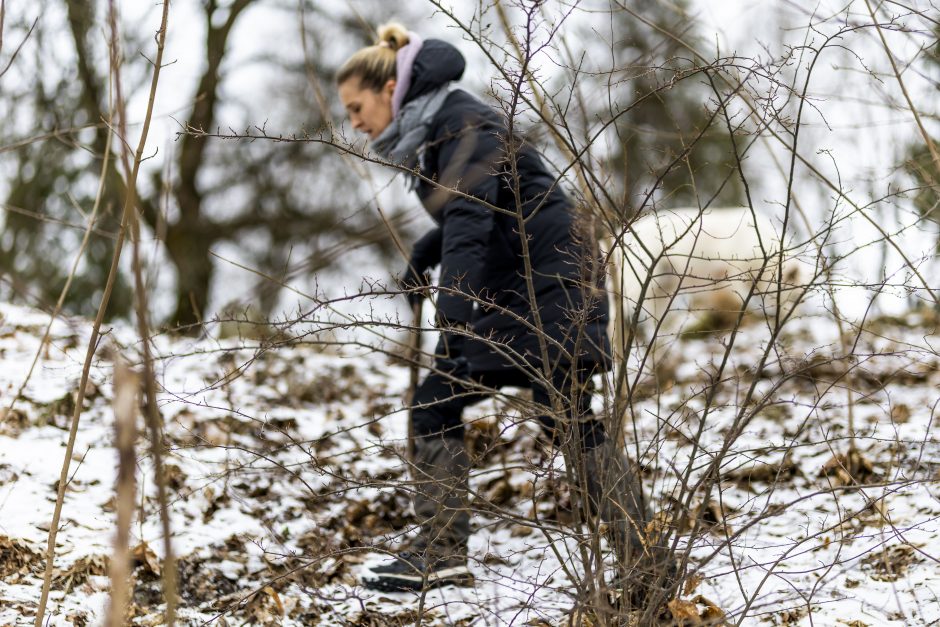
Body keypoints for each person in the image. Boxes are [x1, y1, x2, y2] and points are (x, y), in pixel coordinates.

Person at [336, 23, 660, 597]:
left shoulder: (456, 121)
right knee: (568, 421)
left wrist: (453, 309)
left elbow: (470, 217)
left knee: (437, 406)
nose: (354, 122)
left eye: (357, 106)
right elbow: (501, 204)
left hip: (535, 288)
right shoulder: (449, 121)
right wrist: (424, 254)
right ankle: (644, 555)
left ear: (390, 88)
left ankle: (440, 553)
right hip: (544, 282)